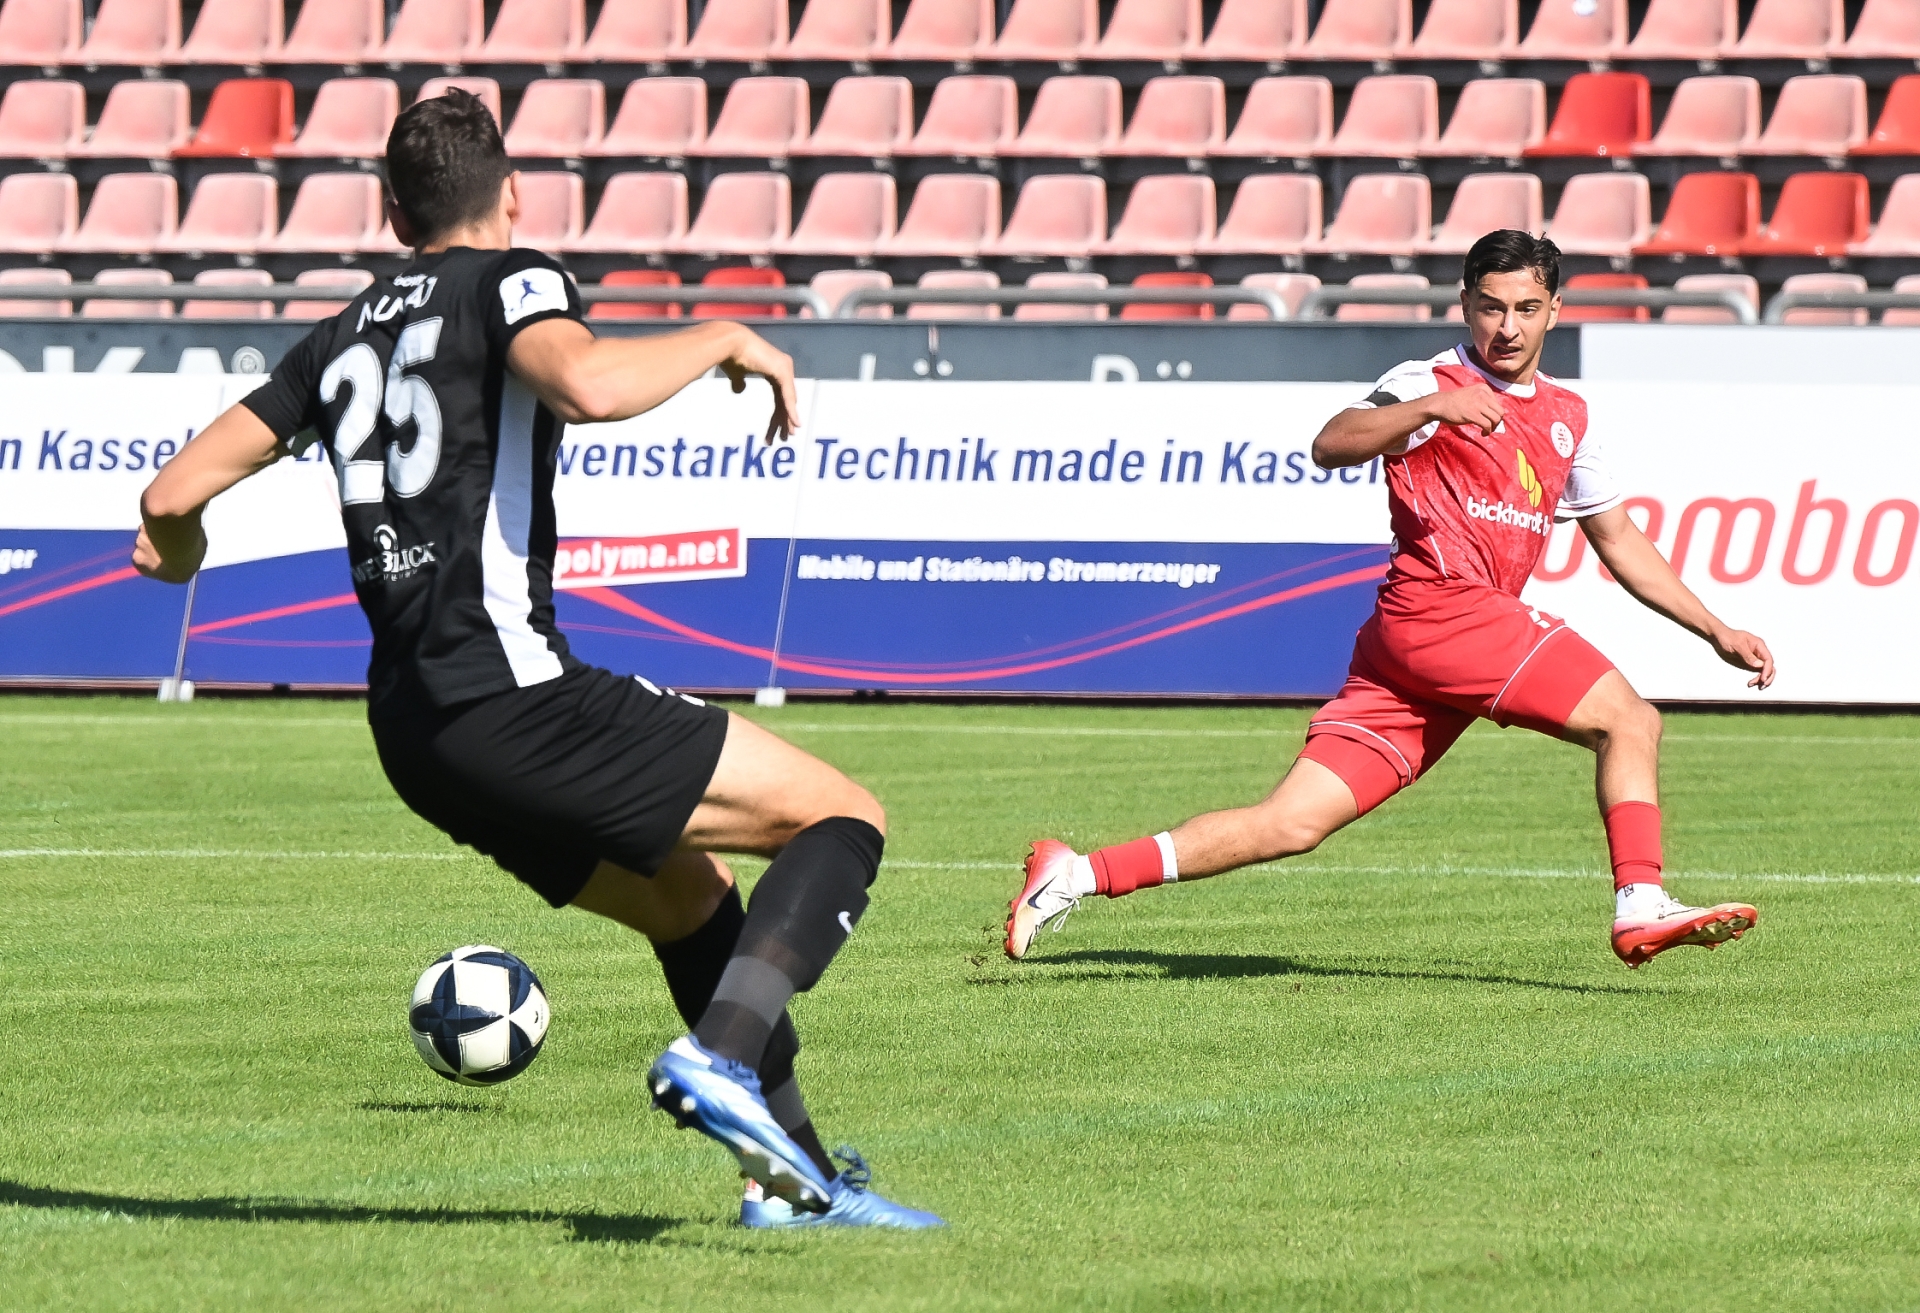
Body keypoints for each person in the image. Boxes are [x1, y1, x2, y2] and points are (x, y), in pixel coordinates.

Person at [132, 90, 939, 1230]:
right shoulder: (512, 281)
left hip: (415, 734)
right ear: (512, 194)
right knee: (843, 816)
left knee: (690, 896)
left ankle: (794, 1184)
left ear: (393, 213)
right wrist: (726, 335)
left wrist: (180, 555)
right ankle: (718, 1055)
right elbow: (587, 385)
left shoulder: (342, 332)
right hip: (512, 691)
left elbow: (170, 498)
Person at [1007, 231, 1774, 972]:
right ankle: (1640, 901)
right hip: (1444, 609)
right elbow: (1332, 441)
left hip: (1412, 653)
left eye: (1525, 309)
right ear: (1465, 305)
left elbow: (1619, 539)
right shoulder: (1427, 381)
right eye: (1491, 307)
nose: (1507, 327)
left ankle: (1075, 873)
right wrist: (1432, 410)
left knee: (1291, 821)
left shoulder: (1568, 418)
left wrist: (1715, 627)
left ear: (1555, 310)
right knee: (1630, 719)